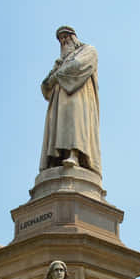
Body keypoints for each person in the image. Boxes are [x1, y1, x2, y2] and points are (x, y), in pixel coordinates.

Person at [40, 26, 102, 175]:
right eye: (61, 39)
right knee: (58, 127)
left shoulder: (88, 50)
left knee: (76, 124)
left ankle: (75, 155)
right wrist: (57, 72)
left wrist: (58, 75)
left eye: (66, 37)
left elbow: (78, 66)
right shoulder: (60, 62)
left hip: (79, 96)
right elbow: (45, 85)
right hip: (58, 102)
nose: (63, 41)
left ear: (74, 37)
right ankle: (56, 158)